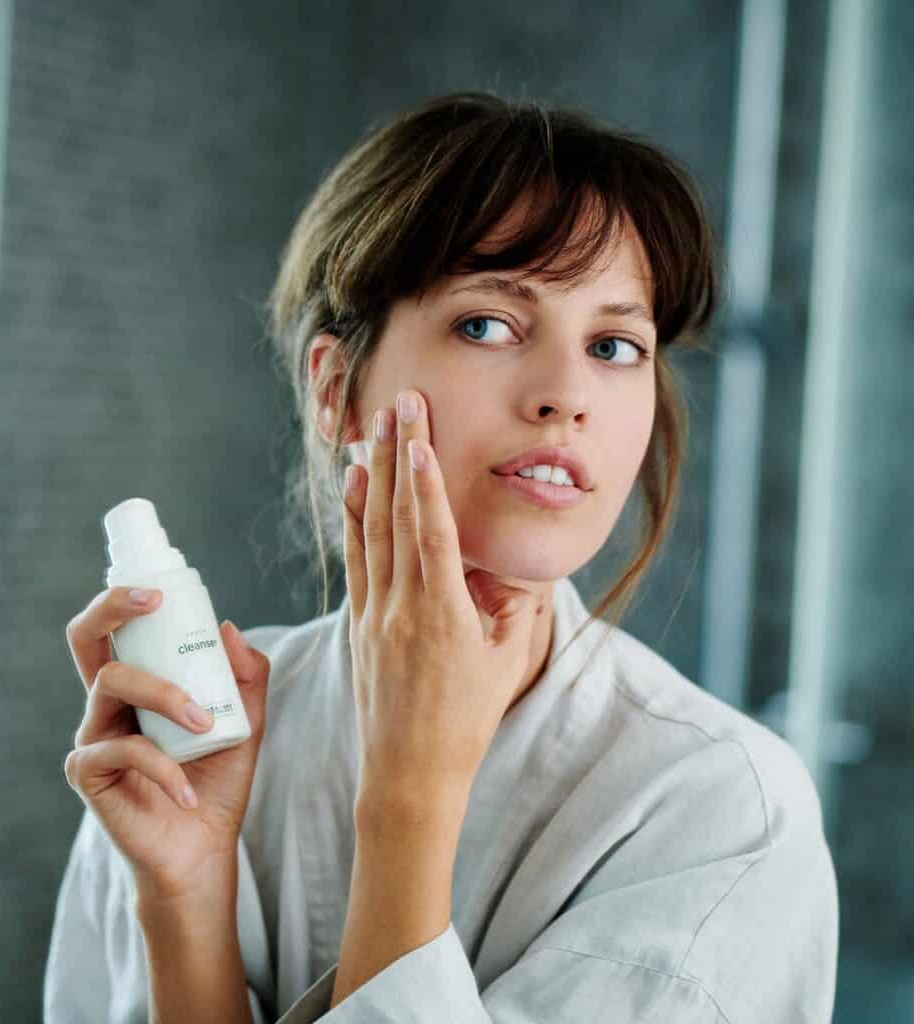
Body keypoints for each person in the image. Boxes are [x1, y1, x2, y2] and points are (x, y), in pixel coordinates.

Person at [45, 92, 839, 1022]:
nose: (566, 395)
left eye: (616, 344)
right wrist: (183, 896)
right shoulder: (189, 737)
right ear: (338, 389)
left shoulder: (723, 812)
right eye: (488, 325)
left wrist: (410, 800)